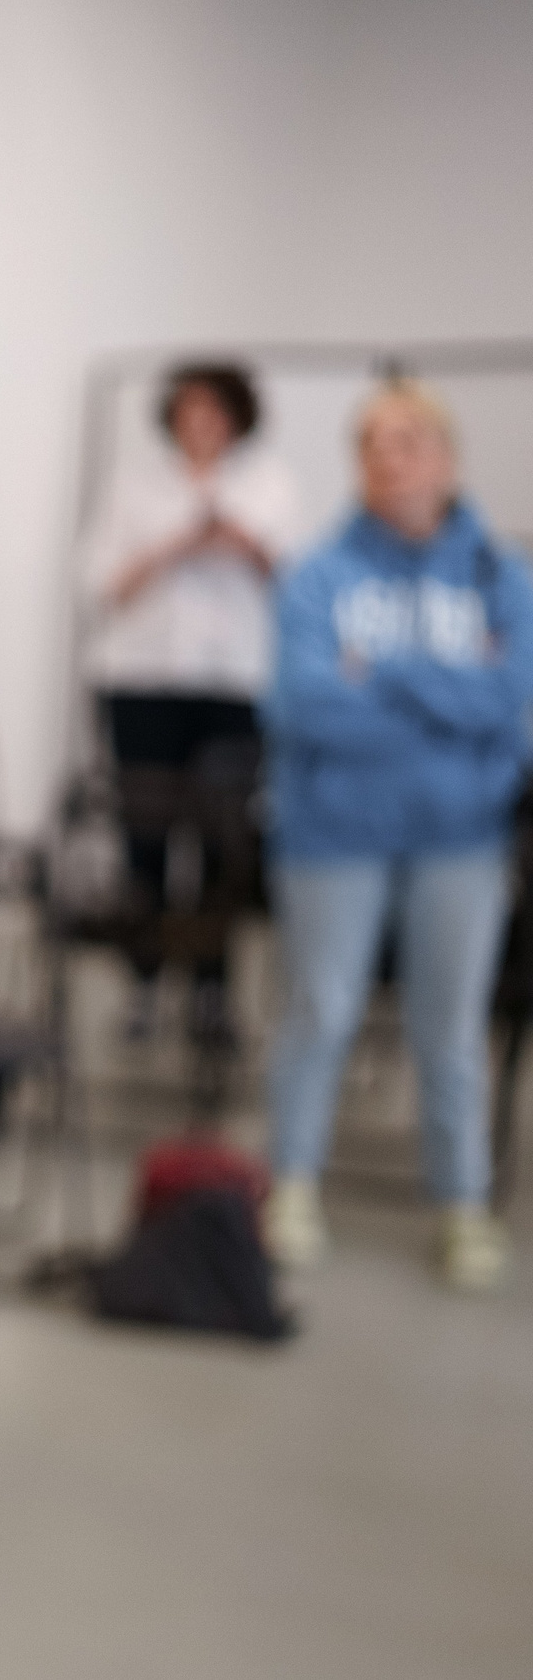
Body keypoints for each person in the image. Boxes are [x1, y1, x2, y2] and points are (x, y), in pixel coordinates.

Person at [261, 380, 528, 1293]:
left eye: (408, 439)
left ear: (447, 459)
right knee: (319, 1011)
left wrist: (388, 672)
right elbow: (305, 709)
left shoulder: (503, 578)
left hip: (462, 840)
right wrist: (453, 695)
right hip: (333, 834)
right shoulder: (318, 575)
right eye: (371, 442)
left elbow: (515, 714)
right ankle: (290, 1187)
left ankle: (462, 1205)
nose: (389, 457)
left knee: (451, 1031)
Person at [85, 362, 299, 1043]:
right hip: (143, 681)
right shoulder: (135, 485)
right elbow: (99, 582)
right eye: (188, 410)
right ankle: (143, 989)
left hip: (233, 687)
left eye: (214, 411)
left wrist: (244, 543)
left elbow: (301, 591)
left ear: (237, 418)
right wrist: (178, 542)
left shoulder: (270, 487)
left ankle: (212, 994)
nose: (201, 424)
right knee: (144, 840)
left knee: (222, 844)